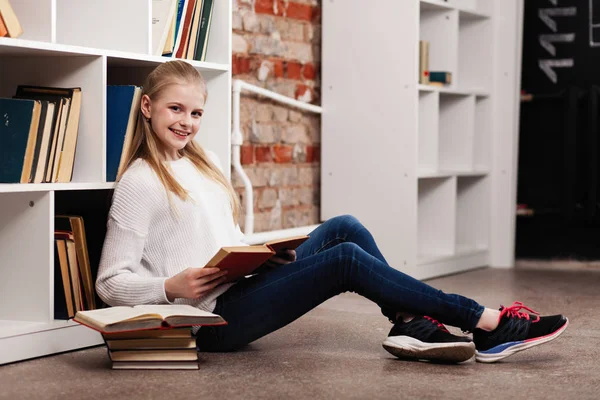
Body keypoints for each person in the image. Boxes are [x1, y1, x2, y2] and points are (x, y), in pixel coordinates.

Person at [96, 60, 568, 364]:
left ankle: (409, 324)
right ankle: (485, 323)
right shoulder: (140, 182)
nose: (186, 123)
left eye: (196, 114)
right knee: (345, 261)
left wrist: (264, 255)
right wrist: (168, 286)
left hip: (237, 286)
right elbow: (109, 283)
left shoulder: (207, 163)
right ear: (147, 106)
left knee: (345, 226)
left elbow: (227, 238)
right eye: (176, 110)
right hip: (212, 320)